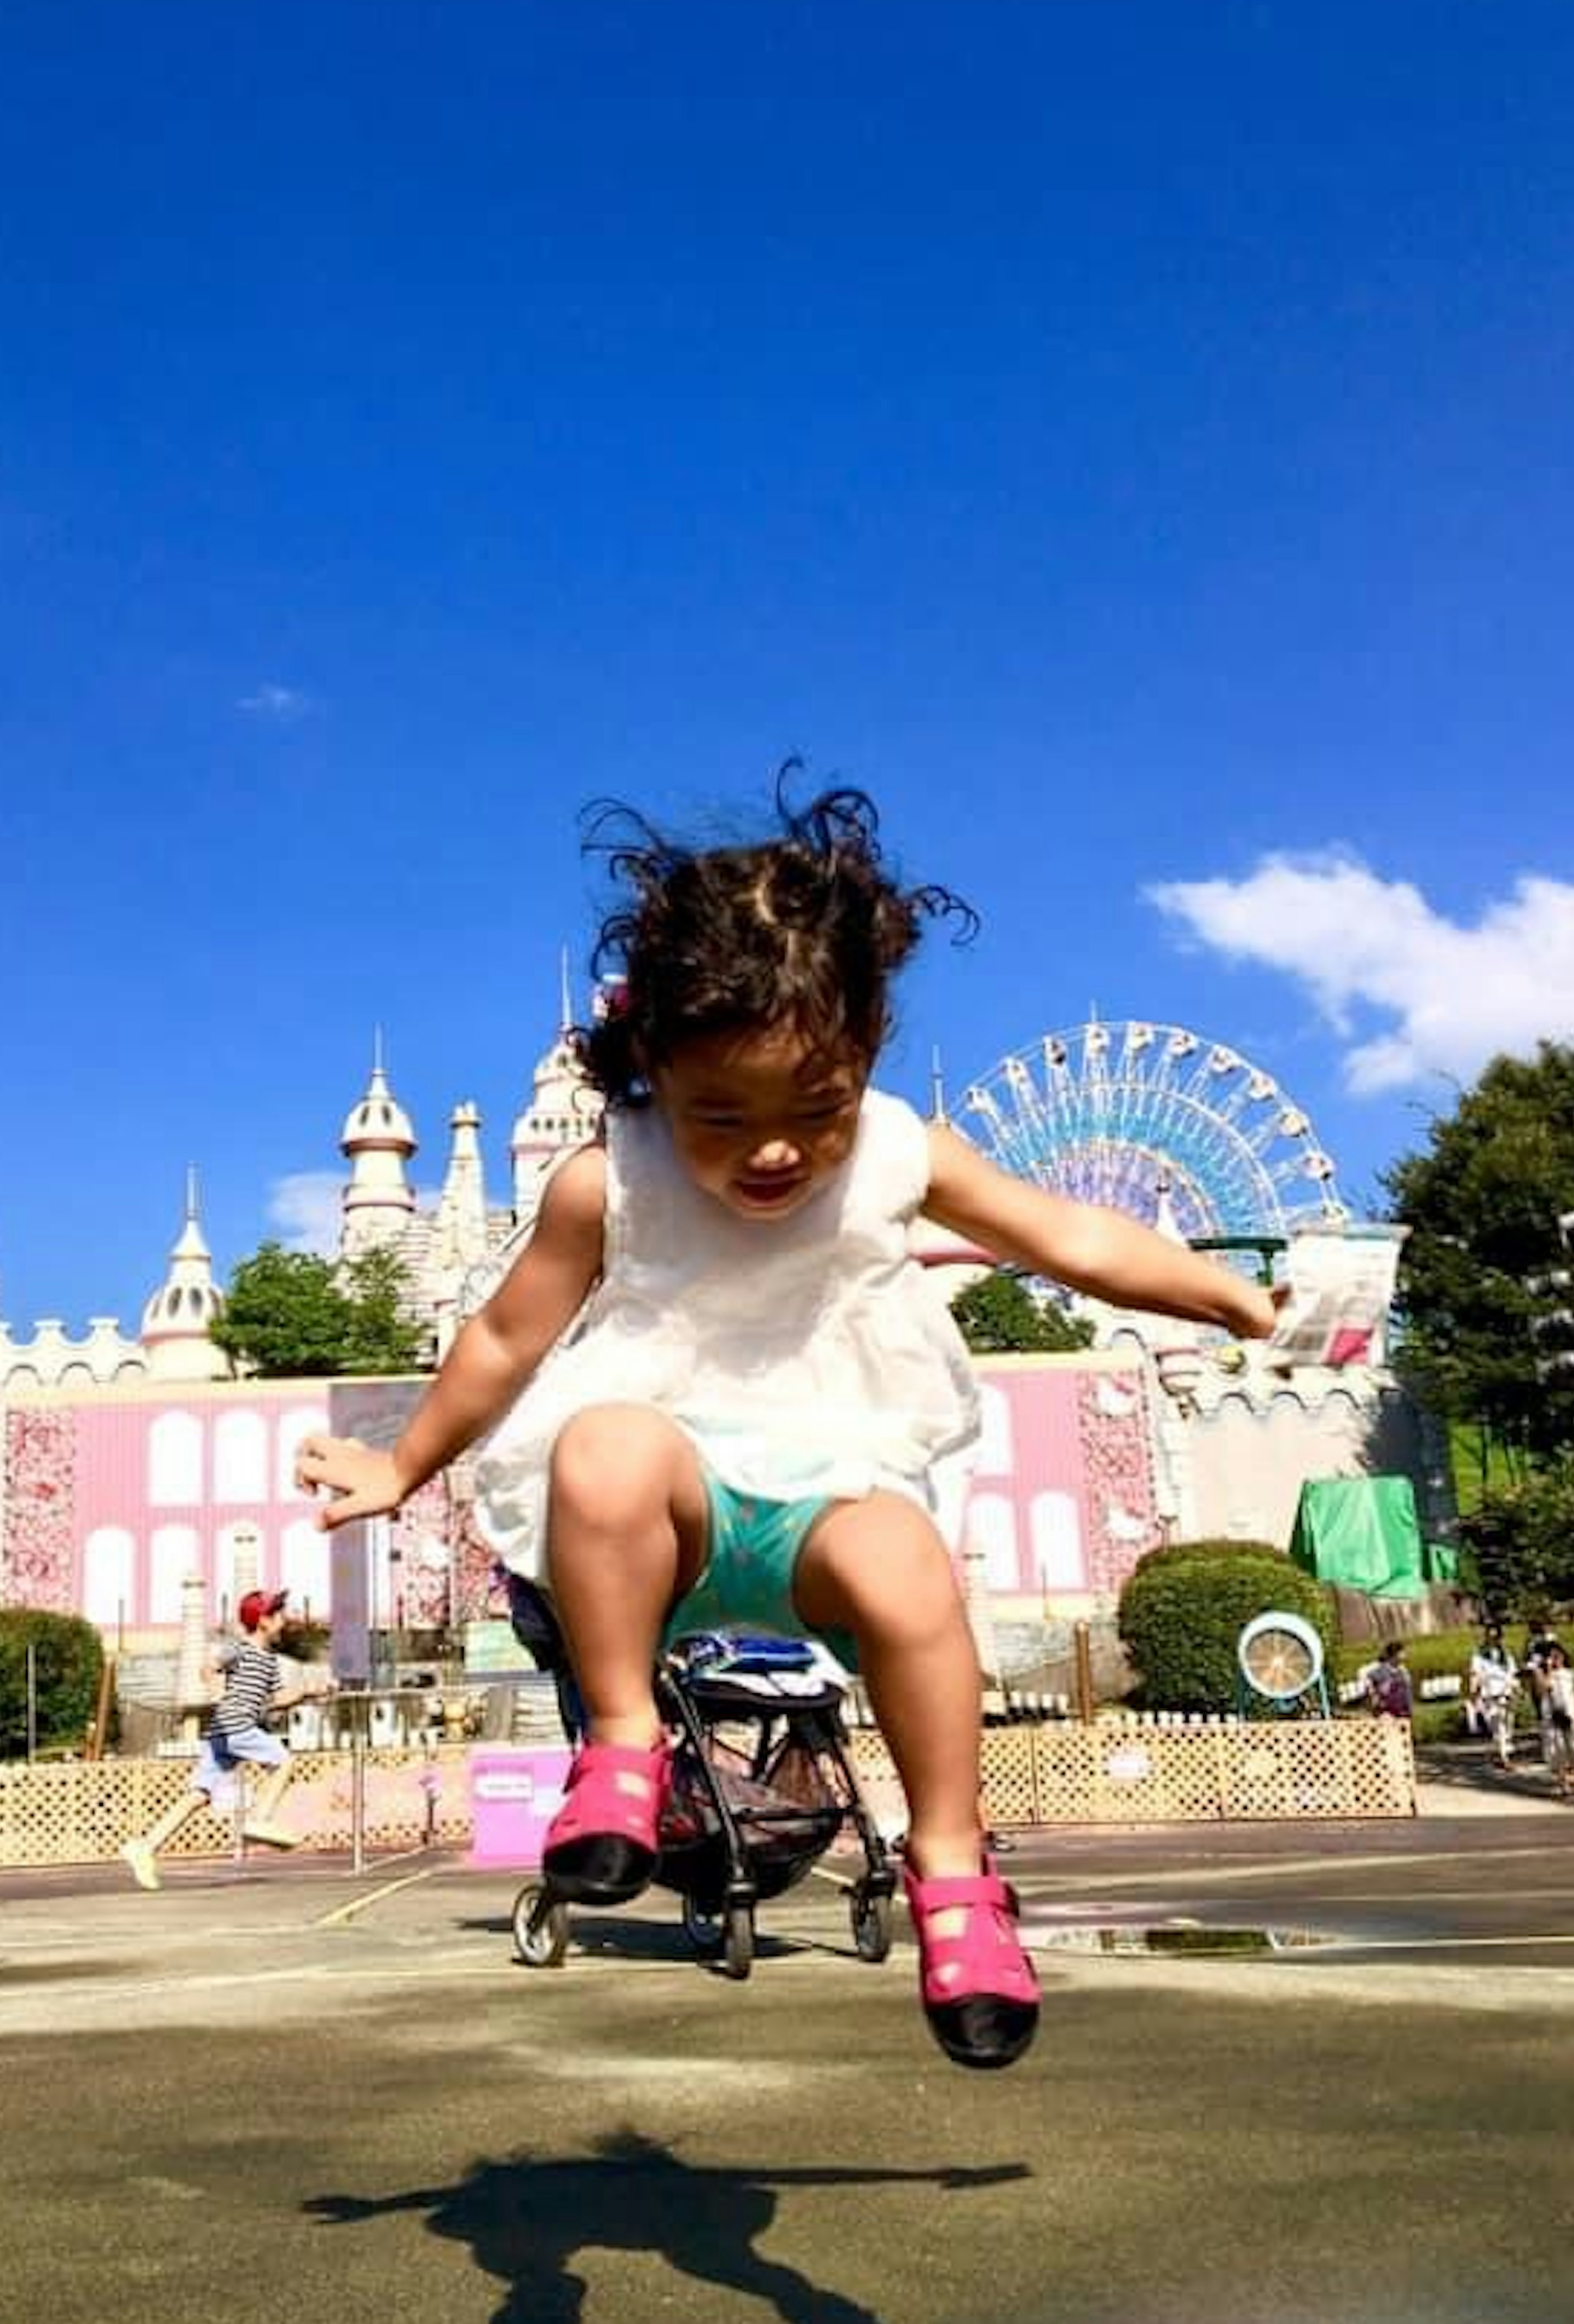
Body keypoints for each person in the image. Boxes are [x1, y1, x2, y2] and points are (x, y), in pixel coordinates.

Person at [296, 784, 1280, 2070]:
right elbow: (501, 1336)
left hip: (833, 1475)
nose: (772, 1153)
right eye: (722, 1118)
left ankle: (948, 1874)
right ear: (652, 1072)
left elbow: (1068, 1235)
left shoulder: (897, 1152)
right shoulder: (609, 1181)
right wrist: (400, 1460)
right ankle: (626, 1743)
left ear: (864, 1053)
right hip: (669, 1502)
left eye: (811, 1109)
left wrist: (1222, 1293)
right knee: (600, 1445)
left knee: (907, 1570)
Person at [119, 1588, 308, 1889]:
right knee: (284, 1761)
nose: (285, 1621)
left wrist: (308, 1693)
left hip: (223, 1732)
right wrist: (214, 1687)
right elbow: (209, 1667)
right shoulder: (240, 1650)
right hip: (236, 1726)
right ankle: (259, 1819)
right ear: (263, 1621)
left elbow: (275, 1699)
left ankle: (145, 1846)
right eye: (279, 1615)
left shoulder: (269, 1662)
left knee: (200, 1795)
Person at [1538, 1642, 1574, 1798]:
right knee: (1559, 1750)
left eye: (1558, 1656)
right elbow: (1544, 1689)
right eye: (1552, 1657)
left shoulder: (1572, 1675)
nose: (1556, 1659)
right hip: (1553, 1715)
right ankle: (1564, 1783)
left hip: (1572, 1713)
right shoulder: (1544, 1676)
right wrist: (1547, 1670)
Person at [1466, 1624, 1520, 1766]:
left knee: (1508, 1723)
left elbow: (1513, 1674)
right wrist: (1473, 1692)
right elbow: (1475, 1674)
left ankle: (1504, 1750)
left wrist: (1516, 1688)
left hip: (1507, 1691)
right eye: (1491, 1637)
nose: (1493, 1640)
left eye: (1496, 1637)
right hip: (1490, 1693)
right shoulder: (1479, 1656)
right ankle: (1503, 1755)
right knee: (1497, 1723)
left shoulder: (1506, 1655)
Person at [1363, 1638, 1415, 1725]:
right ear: (1395, 1655)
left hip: (1403, 1712)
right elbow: (1368, 1679)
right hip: (1386, 1713)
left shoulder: (1403, 1672)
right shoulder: (1381, 1671)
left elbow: (1408, 1692)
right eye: (1402, 1652)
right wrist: (1373, 1693)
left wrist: (1409, 1710)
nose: (1405, 1655)